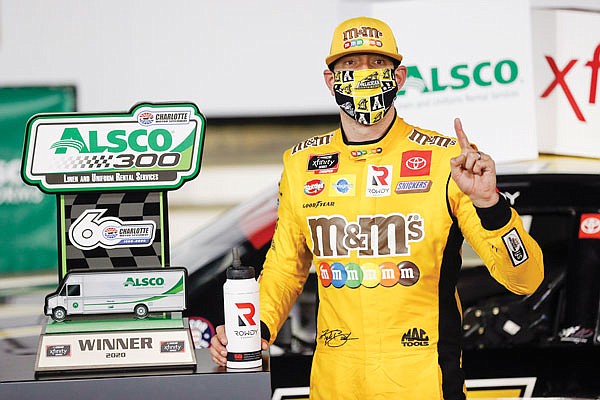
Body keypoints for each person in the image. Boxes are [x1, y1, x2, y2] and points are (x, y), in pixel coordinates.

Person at [211, 16, 544, 399]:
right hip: (336, 385)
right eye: (350, 66)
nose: (363, 75)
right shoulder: (300, 165)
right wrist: (256, 329)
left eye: (376, 64)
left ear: (399, 78)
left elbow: (526, 279)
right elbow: (285, 267)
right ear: (329, 80)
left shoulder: (445, 160)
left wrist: (491, 204)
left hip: (425, 383)